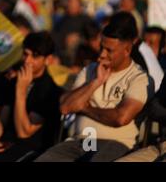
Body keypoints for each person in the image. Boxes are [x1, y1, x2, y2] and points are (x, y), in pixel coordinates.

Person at [36, 13, 150, 162]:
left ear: (127, 50)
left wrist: (84, 108)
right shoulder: (90, 70)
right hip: (81, 141)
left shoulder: (138, 77)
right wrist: (95, 82)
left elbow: (120, 118)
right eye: (101, 48)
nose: (101, 55)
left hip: (116, 144)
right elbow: (65, 107)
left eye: (109, 50)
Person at [0, 32, 62, 162]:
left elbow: (24, 132)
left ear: (48, 59)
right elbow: (3, 119)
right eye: (26, 54)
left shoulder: (50, 90)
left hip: (32, 150)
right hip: (6, 143)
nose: (27, 61)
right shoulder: (14, 79)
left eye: (35, 56)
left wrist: (21, 90)